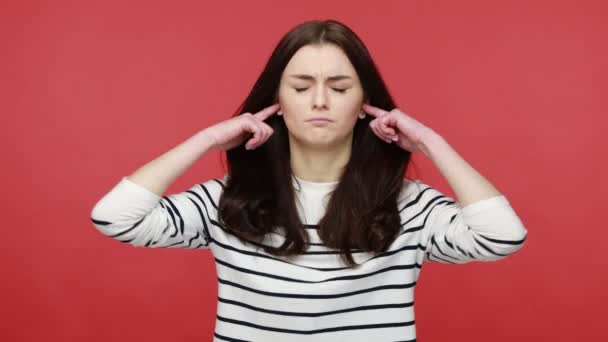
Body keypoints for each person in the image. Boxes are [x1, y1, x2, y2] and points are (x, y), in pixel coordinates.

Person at [90, 19, 528, 342]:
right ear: (277, 101)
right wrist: (206, 140)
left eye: (339, 88)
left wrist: (432, 144)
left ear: (364, 103)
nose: (320, 100)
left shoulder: (408, 205)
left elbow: (502, 237)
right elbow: (115, 219)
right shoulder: (227, 201)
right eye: (301, 87)